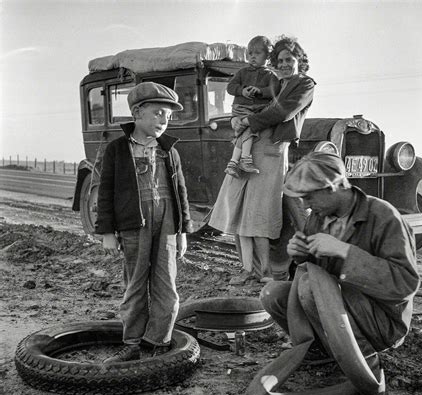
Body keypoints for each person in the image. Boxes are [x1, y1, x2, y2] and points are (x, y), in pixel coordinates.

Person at [237, 152, 420, 395]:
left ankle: (364, 362)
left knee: (312, 288)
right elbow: (312, 268)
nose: (304, 203)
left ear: (333, 187)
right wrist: (300, 253)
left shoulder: (383, 216)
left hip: (381, 321)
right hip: (337, 310)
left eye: (309, 196)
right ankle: (323, 352)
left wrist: (344, 252)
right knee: (272, 293)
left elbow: (404, 285)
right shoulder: (320, 217)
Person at [95, 82, 192, 363]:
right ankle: (133, 342)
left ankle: (157, 343)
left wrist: (183, 231)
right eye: (159, 113)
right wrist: (107, 232)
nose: (164, 120)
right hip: (133, 224)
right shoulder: (116, 150)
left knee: (167, 286)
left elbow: (181, 193)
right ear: (137, 113)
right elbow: (105, 192)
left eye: (169, 116)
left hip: (168, 225)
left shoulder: (169, 151)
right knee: (136, 284)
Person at [209, 36, 315, 285]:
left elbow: (282, 112)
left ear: (300, 60)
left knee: (260, 214)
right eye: (280, 60)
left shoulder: (304, 85)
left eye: (290, 59)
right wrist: (237, 120)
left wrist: (245, 121)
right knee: (239, 208)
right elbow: (249, 102)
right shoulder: (274, 81)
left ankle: (266, 271)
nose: (285, 64)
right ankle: (248, 269)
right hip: (250, 145)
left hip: (271, 151)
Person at [224, 35, 280, 178]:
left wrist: (260, 91)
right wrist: (242, 90)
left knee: (244, 132)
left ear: (267, 57)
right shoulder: (242, 72)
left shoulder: (271, 76)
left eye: (257, 53)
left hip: (256, 110)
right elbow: (230, 87)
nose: (252, 57)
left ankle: (232, 163)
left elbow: (275, 91)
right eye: (250, 53)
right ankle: (245, 159)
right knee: (250, 129)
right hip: (241, 108)